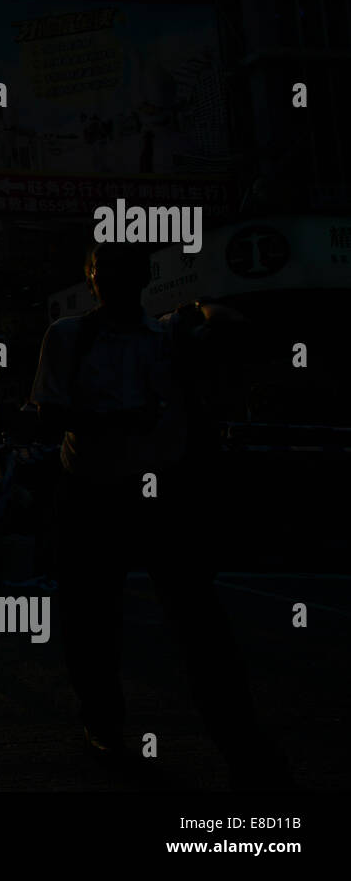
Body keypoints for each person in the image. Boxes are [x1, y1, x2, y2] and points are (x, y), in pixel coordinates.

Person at [31, 240, 289, 789]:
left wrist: (201, 309)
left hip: (162, 497)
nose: (115, 281)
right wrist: (120, 420)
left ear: (144, 277)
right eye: (105, 270)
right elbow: (48, 418)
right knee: (92, 623)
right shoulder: (70, 336)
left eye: (128, 269)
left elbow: (236, 324)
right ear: (91, 276)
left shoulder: (170, 336)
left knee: (200, 623)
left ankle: (239, 736)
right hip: (89, 495)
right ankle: (103, 723)